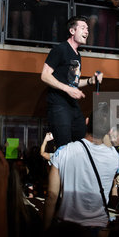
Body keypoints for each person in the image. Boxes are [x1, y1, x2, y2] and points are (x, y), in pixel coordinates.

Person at [43, 102, 119, 234]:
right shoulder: (114, 157)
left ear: (86, 121)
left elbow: (51, 196)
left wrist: (45, 230)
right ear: (109, 131)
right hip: (99, 229)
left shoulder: (64, 151)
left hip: (68, 228)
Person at [41, 16, 103, 148]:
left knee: (82, 142)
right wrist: (68, 89)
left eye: (87, 29)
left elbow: (72, 82)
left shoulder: (77, 55)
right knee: (65, 147)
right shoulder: (60, 49)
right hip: (59, 105)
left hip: (72, 106)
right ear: (72, 31)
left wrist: (91, 81)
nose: (87, 31)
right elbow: (45, 75)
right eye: (83, 28)